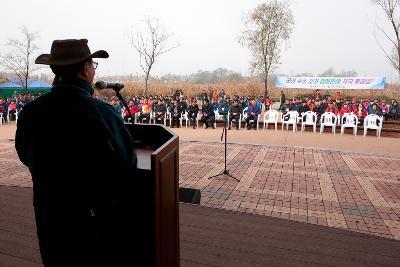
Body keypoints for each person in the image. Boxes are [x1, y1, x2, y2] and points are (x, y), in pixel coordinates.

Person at [15, 39, 139, 266]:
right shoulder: (101, 112)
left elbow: (25, 154)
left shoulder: (31, 112)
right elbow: (126, 164)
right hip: (91, 221)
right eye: (93, 65)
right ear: (85, 69)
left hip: (48, 213)